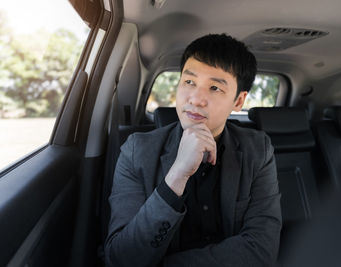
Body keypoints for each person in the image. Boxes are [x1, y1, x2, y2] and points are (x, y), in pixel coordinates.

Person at [105, 33, 282, 267]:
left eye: (215, 88)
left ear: (238, 102)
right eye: (189, 82)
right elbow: (121, 259)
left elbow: (261, 251)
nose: (196, 99)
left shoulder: (258, 149)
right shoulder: (137, 151)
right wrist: (176, 176)